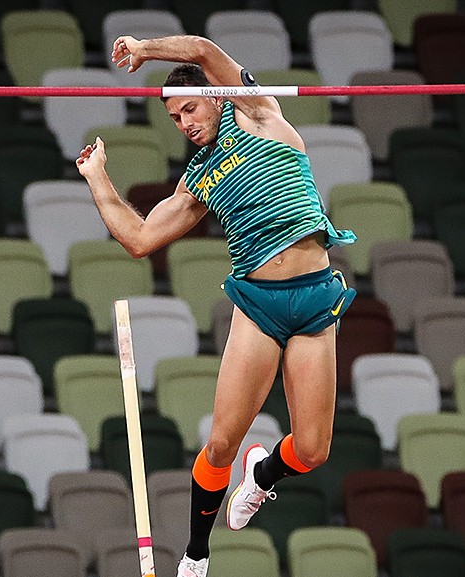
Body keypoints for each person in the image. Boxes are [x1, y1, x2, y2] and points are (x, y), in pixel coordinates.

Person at [76, 34, 357, 577]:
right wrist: (98, 179)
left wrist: (145, 50)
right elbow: (139, 238)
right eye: (174, 117)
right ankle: (196, 553)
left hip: (316, 298)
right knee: (223, 442)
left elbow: (203, 49)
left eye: (189, 107)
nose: (183, 123)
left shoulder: (256, 113)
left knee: (314, 450)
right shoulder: (197, 179)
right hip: (260, 306)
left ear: (217, 96)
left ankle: (264, 476)